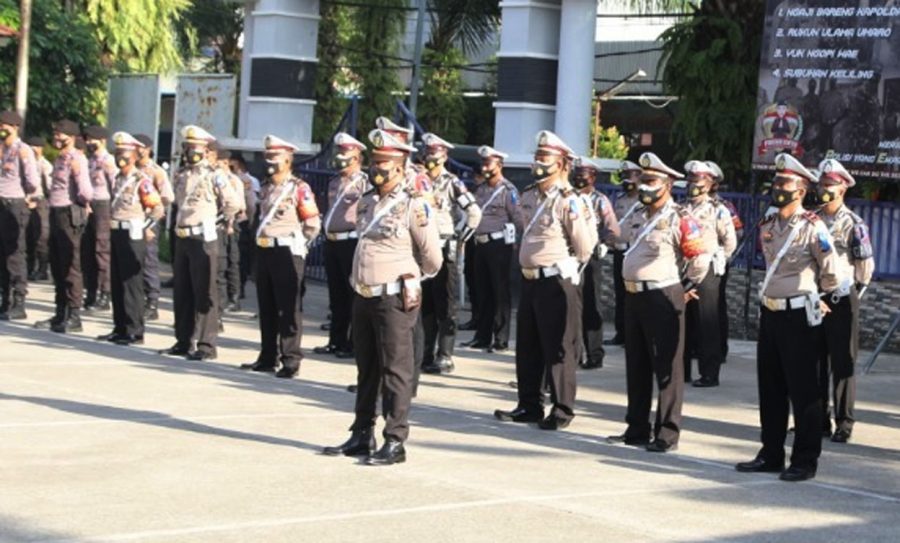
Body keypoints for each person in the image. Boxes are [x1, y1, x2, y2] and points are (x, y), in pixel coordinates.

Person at [323, 128, 442, 465]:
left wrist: (410, 277)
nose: (377, 170)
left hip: (393, 297)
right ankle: (362, 433)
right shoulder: (368, 202)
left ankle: (395, 439)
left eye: (384, 164)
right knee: (367, 369)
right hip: (364, 294)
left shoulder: (414, 207)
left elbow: (432, 257)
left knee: (396, 370)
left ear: (401, 169)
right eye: (374, 163)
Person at [736, 153, 838, 482]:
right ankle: (771, 453)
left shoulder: (812, 227)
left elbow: (832, 272)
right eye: (776, 182)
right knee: (771, 387)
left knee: (804, 390)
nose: (778, 188)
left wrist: (817, 296)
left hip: (799, 316)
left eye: (785, 183)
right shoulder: (769, 225)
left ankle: (805, 460)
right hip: (771, 313)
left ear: (801, 190)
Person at [494, 130, 596, 430]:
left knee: (558, 347)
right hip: (530, 280)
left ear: (562, 164)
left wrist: (568, 268)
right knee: (528, 345)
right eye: (537, 157)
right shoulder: (528, 195)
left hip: (556, 281)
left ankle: (562, 409)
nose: (538, 163)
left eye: (545, 158)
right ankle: (529, 404)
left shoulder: (570, 201)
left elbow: (585, 247)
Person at [608, 152, 706, 453]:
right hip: (634, 295)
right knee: (636, 364)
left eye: (651, 181)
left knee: (667, 366)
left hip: (662, 295)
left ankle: (666, 432)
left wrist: (684, 288)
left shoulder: (681, 219)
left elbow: (699, 259)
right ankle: (636, 427)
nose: (644, 186)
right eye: (643, 180)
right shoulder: (638, 214)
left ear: (668, 184)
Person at [239, 135, 321, 378]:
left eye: (276, 157)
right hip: (265, 249)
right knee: (266, 306)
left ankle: (290, 359)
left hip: (287, 251)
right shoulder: (265, 187)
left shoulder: (298, 188)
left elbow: (312, 223)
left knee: (288, 308)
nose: (271, 161)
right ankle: (267, 357)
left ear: (288, 160)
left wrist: (300, 244)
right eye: (268, 157)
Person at [160, 125, 240, 361]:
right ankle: (183, 340)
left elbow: (233, 204)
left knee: (205, 291)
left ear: (205, 150)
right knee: (182, 291)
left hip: (204, 238)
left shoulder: (215, 175)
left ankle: (206, 344)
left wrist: (214, 222)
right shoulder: (183, 174)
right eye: (187, 147)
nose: (190, 151)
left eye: (195, 148)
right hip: (183, 236)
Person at [815, 159, 874, 443]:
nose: (824, 189)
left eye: (829, 185)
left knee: (842, 363)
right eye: (822, 183)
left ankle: (844, 422)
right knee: (814, 363)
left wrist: (849, 294)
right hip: (813, 299)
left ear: (842, 189)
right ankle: (817, 419)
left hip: (841, 299)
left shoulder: (854, 224)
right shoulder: (811, 219)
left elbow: (865, 267)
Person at [418, 132, 482, 374]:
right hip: (423, 248)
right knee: (425, 304)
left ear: (443, 157)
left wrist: (459, 236)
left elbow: (474, 212)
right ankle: (424, 352)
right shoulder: (419, 181)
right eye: (426, 153)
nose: (428, 157)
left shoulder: (452, 183)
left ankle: (445, 354)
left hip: (445, 245)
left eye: (433, 154)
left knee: (446, 304)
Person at [96, 132, 164, 345]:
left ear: (134, 155)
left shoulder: (141, 181)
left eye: (124, 152)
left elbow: (157, 208)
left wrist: (145, 227)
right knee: (116, 281)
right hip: (117, 231)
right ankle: (120, 326)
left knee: (131, 283)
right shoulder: (118, 178)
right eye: (117, 152)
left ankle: (135, 329)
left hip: (133, 232)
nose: (120, 156)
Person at [681, 160, 737, 386]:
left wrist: (718, 258)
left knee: (707, 324)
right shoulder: (681, 208)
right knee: (683, 324)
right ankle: (681, 372)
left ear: (709, 183)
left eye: (698, 180)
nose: (693, 184)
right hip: (683, 271)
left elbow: (730, 241)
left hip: (707, 271)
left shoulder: (718, 210)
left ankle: (709, 373)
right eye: (691, 180)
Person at [35, 120, 93, 333]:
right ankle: (61, 312)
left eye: (60, 134)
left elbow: (86, 192)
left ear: (71, 136)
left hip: (69, 213)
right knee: (58, 265)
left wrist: (80, 205)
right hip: (56, 211)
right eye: (55, 134)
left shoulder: (77, 159)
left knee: (71, 266)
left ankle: (74, 315)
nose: (56, 138)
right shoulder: (61, 157)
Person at [462, 145, 522, 352]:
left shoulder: (508, 191)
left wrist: (514, 245)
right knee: (482, 291)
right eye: (484, 164)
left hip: (499, 245)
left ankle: (501, 338)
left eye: (489, 163)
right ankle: (482, 335)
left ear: (499, 165)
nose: (485, 168)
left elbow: (518, 219)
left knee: (500, 292)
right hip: (480, 243)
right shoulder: (481, 189)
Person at [314, 132, 369, 358]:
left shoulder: (364, 182)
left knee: (351, 295)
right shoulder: (335, 181)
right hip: (332, 242)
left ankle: (352, 342)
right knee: (336, 296)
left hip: (351, 242)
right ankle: (336, 341)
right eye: (339, 151)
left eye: (345, 152)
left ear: (356, 156)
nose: (340, 157)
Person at [571, 156, 620, 369]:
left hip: (590, 258)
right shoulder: (568, 197)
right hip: (569, 257)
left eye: (584, 175)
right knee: (570, 307)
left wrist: (605, 244)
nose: (579, 178)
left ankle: (594, 353)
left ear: (593, 177)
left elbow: (613, 229)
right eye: (577, 174)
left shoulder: (600, 200)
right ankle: (572, 354)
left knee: (591, 305)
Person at [0, 110, 39, 321]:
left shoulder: (23, 150)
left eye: (4, 125)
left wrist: (24, 196)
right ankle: (5, 300)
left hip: (14, 204)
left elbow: (32, 181)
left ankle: (18, 302)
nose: (1, 129)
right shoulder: (1, 148)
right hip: (1, 203)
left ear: (15, 127)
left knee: (15, 254)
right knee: (2, 255)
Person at [135, 133, 174, 322]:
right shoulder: (131, 170)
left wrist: (155, 211)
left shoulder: (156, 171)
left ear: (148, 149)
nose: (137, 150)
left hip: (148, 221)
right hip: (131, 220)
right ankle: (137, 299)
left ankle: (152, 302)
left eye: (140, 147)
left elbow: (167, 196)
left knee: (149, 260)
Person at [707, 161, 743, 361]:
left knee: (716, 307)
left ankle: (719, 349)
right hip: (694, 264)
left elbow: (738, 232)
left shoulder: (725, 207)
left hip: (717, 263)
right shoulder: (689, 205)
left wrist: (722, 254)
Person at [605, 161, 642, 346]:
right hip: (619, 252)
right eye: (625, 176)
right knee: (620, 294)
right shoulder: (619, 200)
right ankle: (620, 333)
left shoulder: (643, 202)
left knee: (633, 296)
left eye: (631, 176)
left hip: (634, 253)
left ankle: (633, 335)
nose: (627, 181)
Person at [208, 143, 246, 326]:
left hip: (226, 227)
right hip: (208, 229)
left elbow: (239, 206)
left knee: (227, 266)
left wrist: (229, 223)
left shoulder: (233, 181)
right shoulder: (207, 176)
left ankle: (229, 303)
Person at [81, 125, 116, 314]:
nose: (88, 143)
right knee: (88, 251)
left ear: (102, 140)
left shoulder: (108, 161)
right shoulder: (90, 161)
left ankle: (105, 294)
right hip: (90, 206)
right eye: (86, 139)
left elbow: (114, 187)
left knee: (102, 250)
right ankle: (92, 292)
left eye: (91, 139)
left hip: (104, 206)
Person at [228, 154, 259, 302]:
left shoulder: (246, 181)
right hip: (226, 223)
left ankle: (238, 289)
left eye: (232, 166)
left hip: (241, 222)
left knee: (238, 258)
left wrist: (251, 224)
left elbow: (251, 205)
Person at [25, 136, 52, 282]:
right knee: (28, 237)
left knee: (42, 237)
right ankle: (29, 268)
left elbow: (49, 187)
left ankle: (42, 269)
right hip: (26, 202)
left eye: (34, 146)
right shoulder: (26, 164)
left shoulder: (45, 165)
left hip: (40, 202)